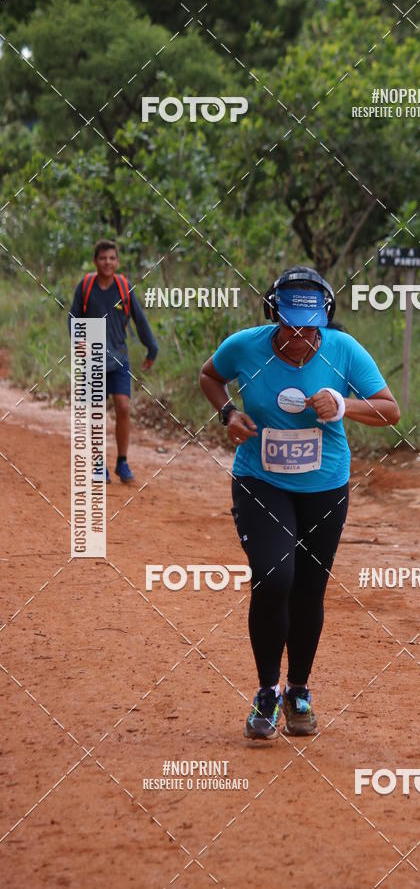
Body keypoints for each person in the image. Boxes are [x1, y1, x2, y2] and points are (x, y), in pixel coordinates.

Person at [200, 265, 400, 740]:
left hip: (325, 488)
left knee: (309, 589)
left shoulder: (344, 351)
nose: (298, 338)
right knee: (275, 577)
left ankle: (299, 691)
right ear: (273, 315)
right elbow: (210, 376)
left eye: (309, 329)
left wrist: (343, 402)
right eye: (289, 326)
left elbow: (390, 410)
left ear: (324, 321)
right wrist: (228, 412)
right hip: (260, 481)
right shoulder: (245, 345)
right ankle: (267, 692)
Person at [68, 239, 158, 483]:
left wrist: (152, 348)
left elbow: (140, 319)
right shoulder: (86, 286)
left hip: (119, 357)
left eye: (112, 258)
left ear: (117, 262)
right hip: (92, 359)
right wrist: (77, 340)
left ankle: (122, 462)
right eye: (103, 258)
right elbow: (73, 316)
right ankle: (98, 463)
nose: (107, 262)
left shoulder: (124, 286)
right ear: (96, 261)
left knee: (123, 407)